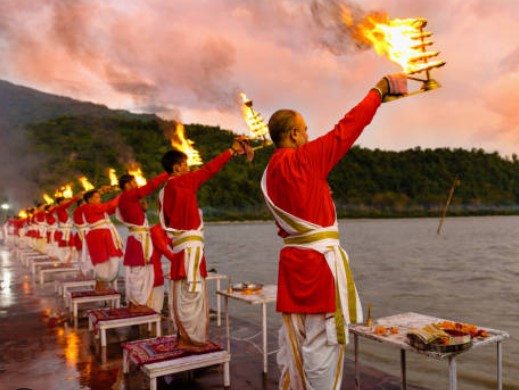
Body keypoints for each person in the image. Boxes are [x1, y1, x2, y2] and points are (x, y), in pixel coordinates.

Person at [261, 74, 407, 389]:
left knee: (295, 344)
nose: (309, 135)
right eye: (306, 130)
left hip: (291, 268)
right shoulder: (305, 160)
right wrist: (378, 91)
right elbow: (348, 128)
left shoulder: (269, 172)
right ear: (295, 133)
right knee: (324, 346)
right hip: (319, 271)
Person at [159, 137, 251, 351]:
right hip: (190, 250)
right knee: (193, 294)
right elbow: (210, 169)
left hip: (183, 249)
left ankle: (184, 337)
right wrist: (230, 151)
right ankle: (192, 340)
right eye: (185, 163)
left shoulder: (165, 190)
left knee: (184, 293)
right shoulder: (182, 182)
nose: (188, 167)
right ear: (177, 167)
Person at [116, 172, 168, 312]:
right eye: (134, 182)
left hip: (137, 238)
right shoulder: (127, 195)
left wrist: (142, 209)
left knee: (139, 272)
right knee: (139, 272)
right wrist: (167, 174)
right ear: (127, 185)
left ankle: (135, 303)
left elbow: (135, 216)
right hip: (138, 240)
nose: (137, 184)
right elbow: (150, 186)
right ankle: (136, 304)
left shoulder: (126, 198)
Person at [81, 187, 123, 292]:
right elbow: (109, 205)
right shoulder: (89, 207)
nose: (99, 199)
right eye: (96, 197)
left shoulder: (97, 208)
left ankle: (101, 285)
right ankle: (99, 287)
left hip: (104, 235)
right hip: (98, 236)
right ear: (89, 199)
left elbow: (111, 208)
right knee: (102, 261)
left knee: (109, 260)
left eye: (99, 197)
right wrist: (123, 195)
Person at [148, 222, 175, 313]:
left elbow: (176, 246)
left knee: (159, 285)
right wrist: (180, 263)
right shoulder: (156, 231)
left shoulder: (168, 231)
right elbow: (164, 250)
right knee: (154, 286)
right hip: (148, 264)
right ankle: (151, 313)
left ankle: (156, 312)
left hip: (156, 263)